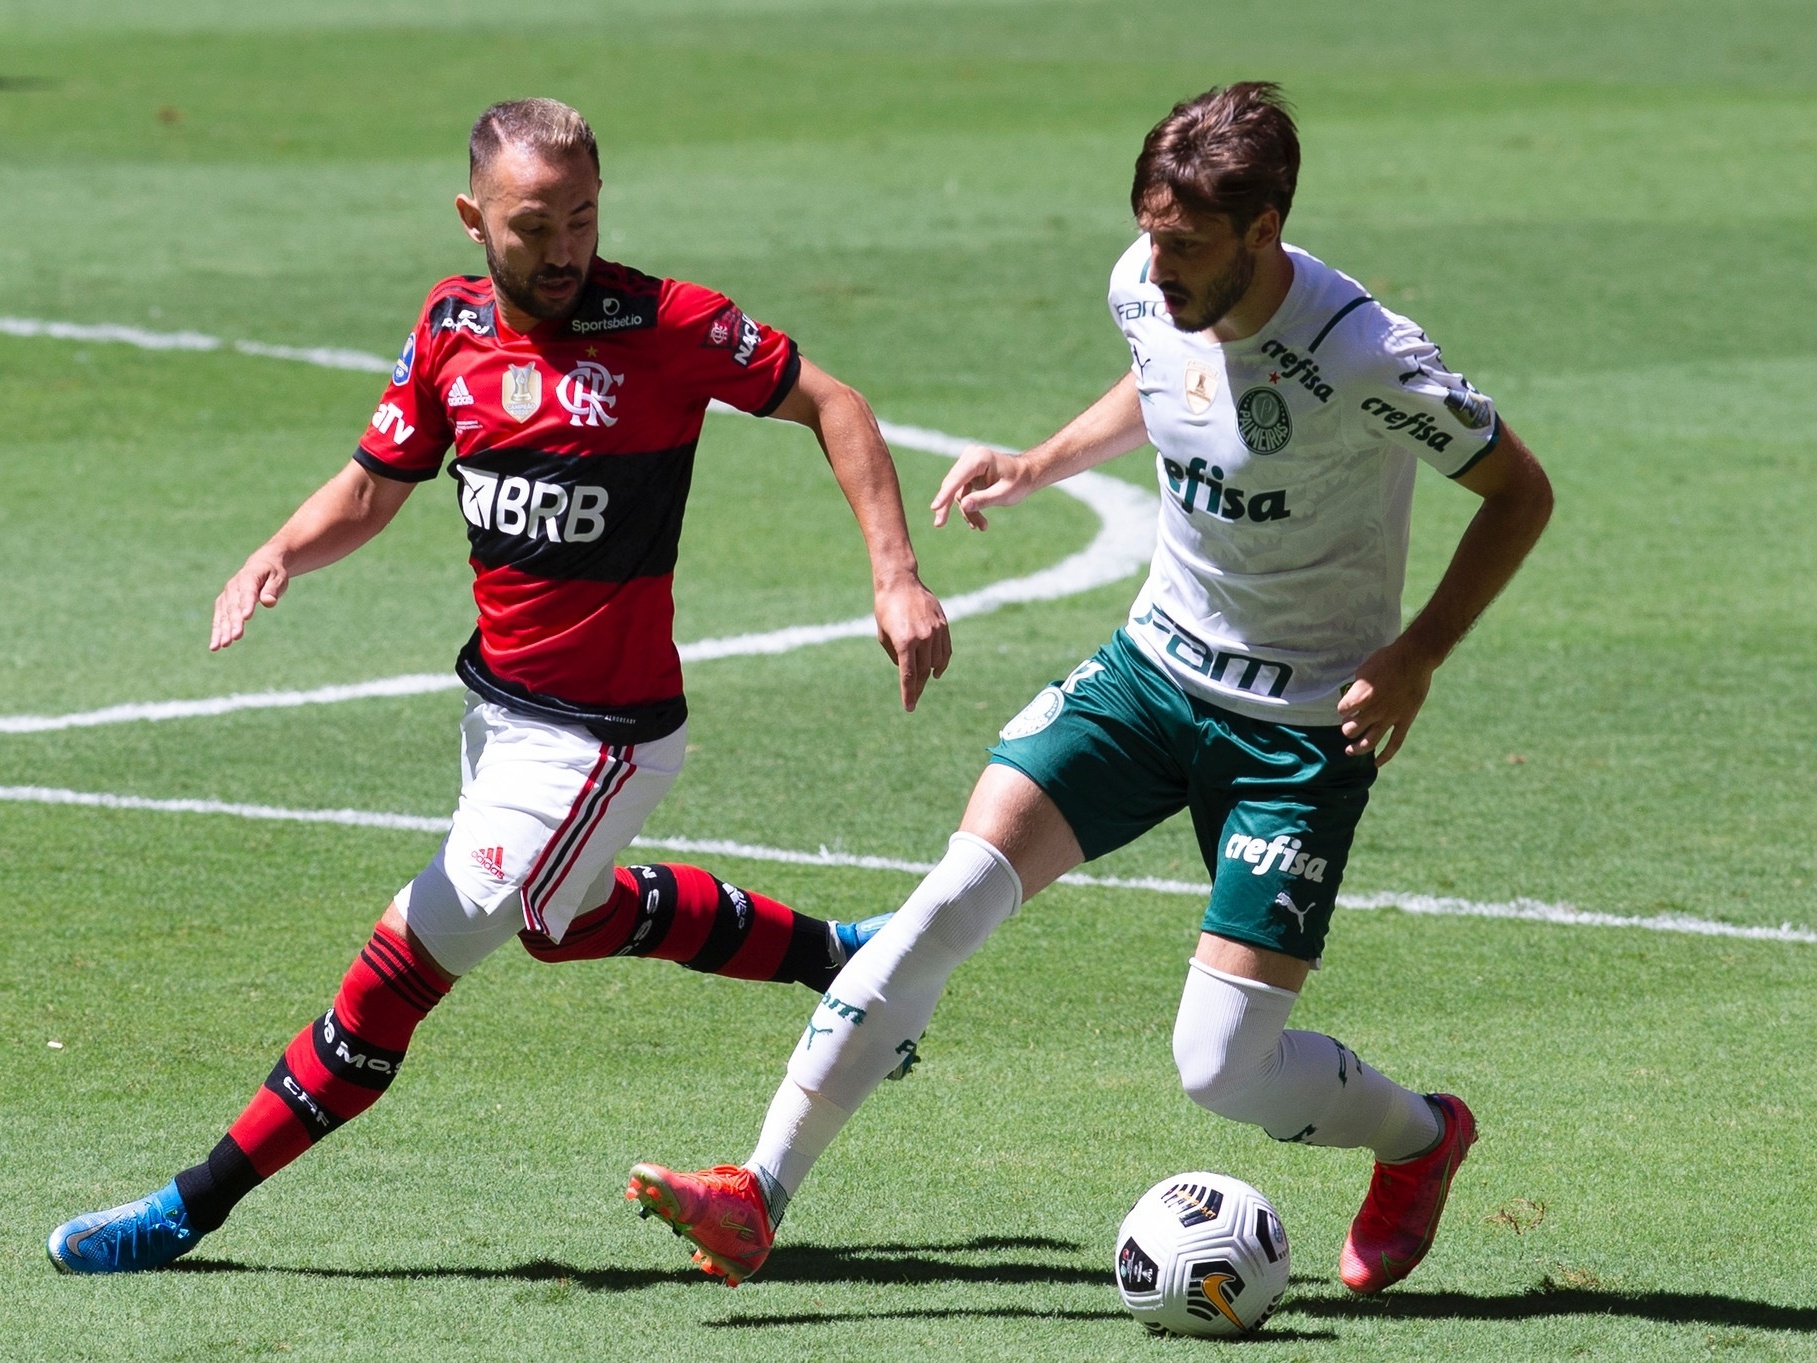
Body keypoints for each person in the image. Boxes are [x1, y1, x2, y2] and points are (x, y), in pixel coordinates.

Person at [628, 82, 1553, 1294]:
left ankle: (1423, 1140)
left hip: (1297, 731)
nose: (1155, 264)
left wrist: (1416, 652)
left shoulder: (1365, 357)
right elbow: (1169, 381)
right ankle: (757, 1191)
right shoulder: (1145, 286)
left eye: (1185, 244)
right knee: (947, 899)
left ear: (1264, 230)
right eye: (1148, 232)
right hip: (1148, 677)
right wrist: (1043, 457)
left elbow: (1516, 494)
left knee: (1220, 1069)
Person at [47, 98, 951, 1275]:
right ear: (475, 218)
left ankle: (187, 1209)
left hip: (605, 735)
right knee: (559, 922)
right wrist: (278, 550)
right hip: (499, 715)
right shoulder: (450, 324)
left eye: (583, 216)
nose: (566, 246)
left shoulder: (665, 323)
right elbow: (374, 485)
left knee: (401, 969)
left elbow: (835, 403)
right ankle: (841, 954)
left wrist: (895, 577)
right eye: (535, 224)